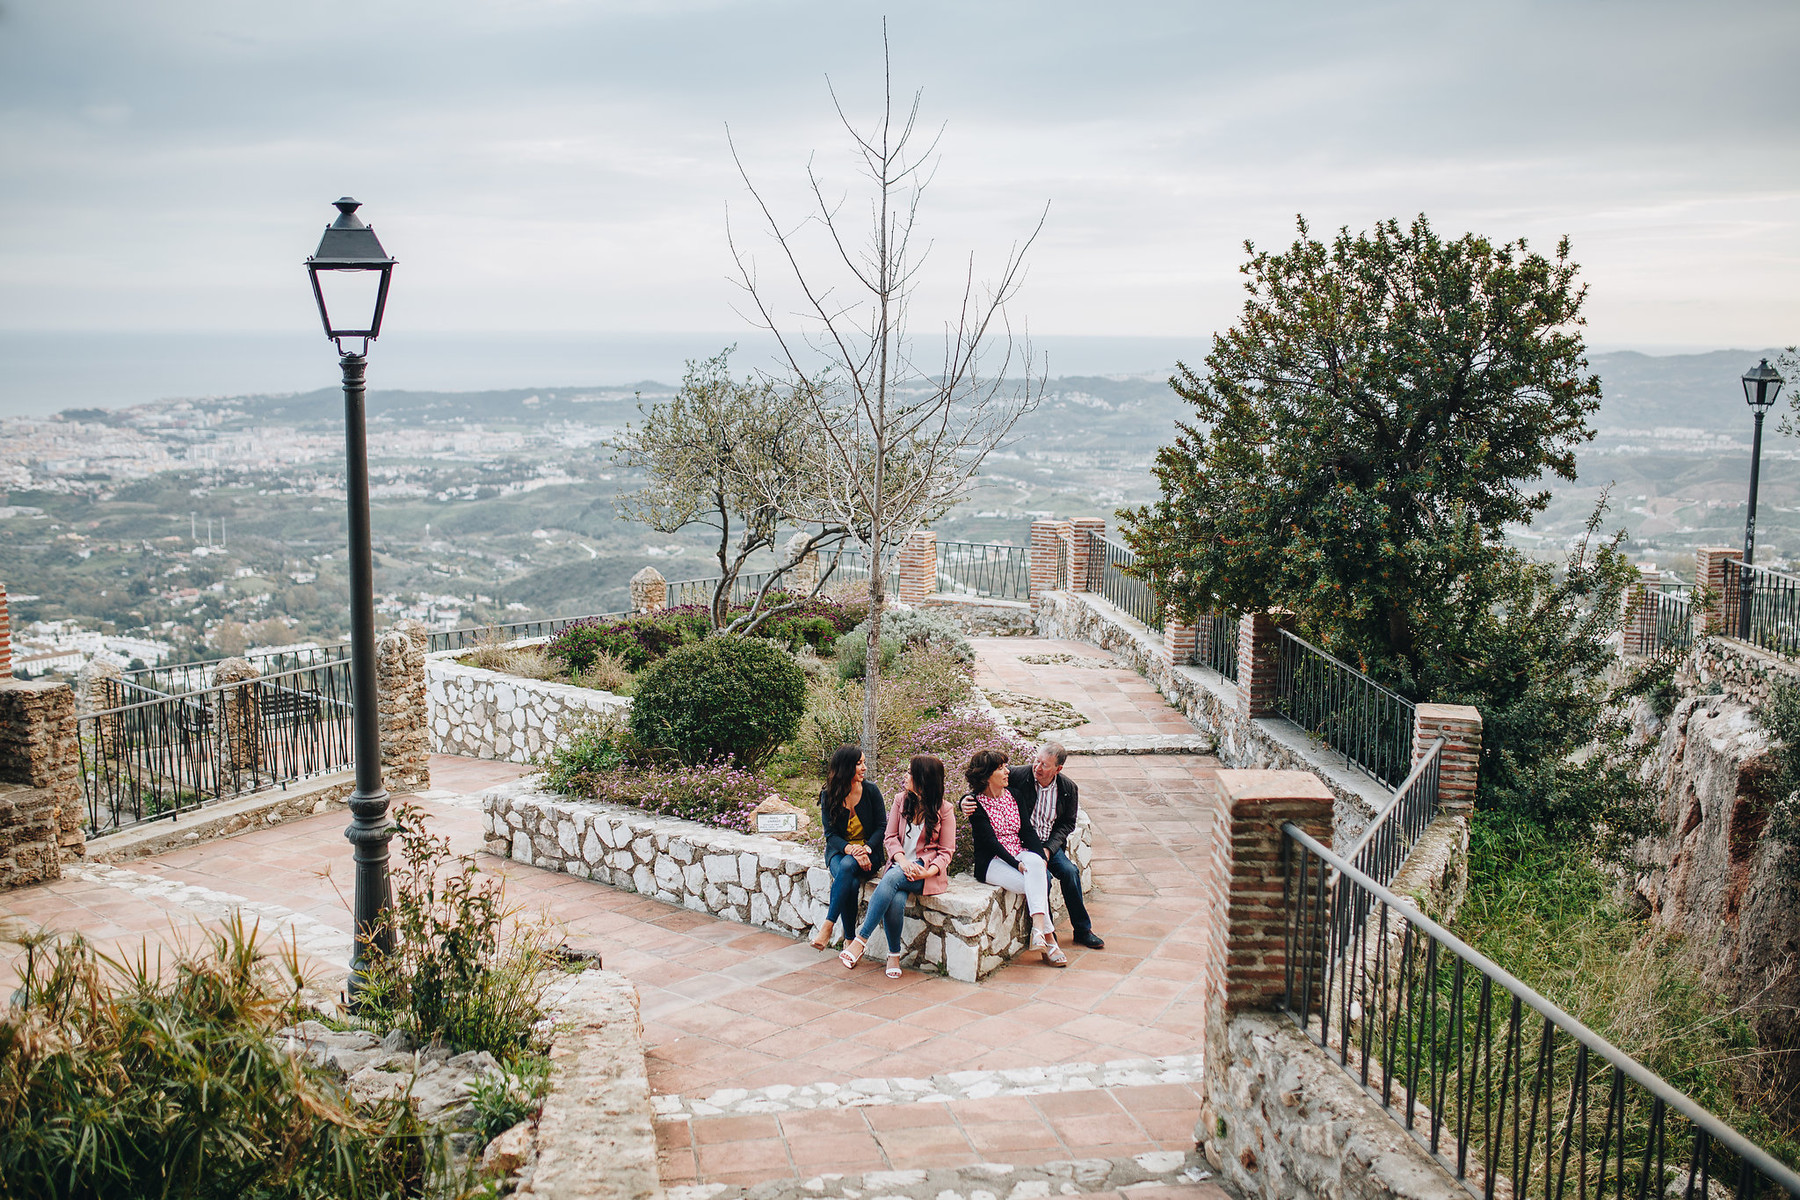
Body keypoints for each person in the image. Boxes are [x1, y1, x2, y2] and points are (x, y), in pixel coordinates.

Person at [961, 740, 1102, 949]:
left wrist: (1047, 850)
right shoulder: (1020, 775)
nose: (1038, 767)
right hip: (1022, 845)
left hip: (1048, 846)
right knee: (1040, 877)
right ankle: (1047, 935)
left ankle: (1082, 930)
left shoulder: (1068, 788)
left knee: (1070, 872)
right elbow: (982, 789)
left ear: (1058, 769)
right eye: (1037, 761)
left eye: (1045, 765)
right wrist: (964, 800)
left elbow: (1067, 824)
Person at [840, 755, 955, 978]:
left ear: (922, 779)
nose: (905, 776)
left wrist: (927, 871)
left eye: (910, 773)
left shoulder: (945, 809)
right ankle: (893, 955)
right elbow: (890, 836)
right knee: (896, 895)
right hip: (900, 866)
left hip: (926, 873)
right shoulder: (901, 800)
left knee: (891, 879)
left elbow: (946, 851)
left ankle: (860, 940)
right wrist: (902, 861)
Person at [963, 747, 1067, 967]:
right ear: (987, 775)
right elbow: (990, 842)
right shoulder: (975, 804)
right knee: (1031, 883)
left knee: (1036, 867)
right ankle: (1049, 938)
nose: (1007, 771)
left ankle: (1038, 929)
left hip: (1018, 851)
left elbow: (1027, 832)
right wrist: (1016, 863)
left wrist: (1040, 857)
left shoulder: (1014, 795)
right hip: (992, 862)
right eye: (1001, 768)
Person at [811, 744, 887, 950]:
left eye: (863, 763)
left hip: (869, 853)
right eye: (859, 763)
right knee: (849, 878)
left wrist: (867, 848)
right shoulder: (829, 795)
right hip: (840, 852)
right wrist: (850, 849)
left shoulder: (871, 791)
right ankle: (850, 941)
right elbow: (831, 835)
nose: (864, 768)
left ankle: (828, 926)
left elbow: (882, 827)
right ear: (846, 767)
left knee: (846, 869)